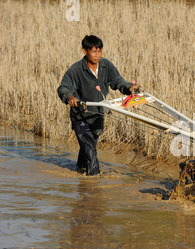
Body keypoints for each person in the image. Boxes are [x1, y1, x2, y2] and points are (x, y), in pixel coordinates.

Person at [57, 35, 141, 175]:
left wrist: (129, 88)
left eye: (99, 51)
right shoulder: (76, 70)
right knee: (90, 148)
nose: (97, 55)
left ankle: (80, 170)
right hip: (81, 116)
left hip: (98, 115)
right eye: (94, 52)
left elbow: (117, 81)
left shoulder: (105, 65)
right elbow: (63, 87)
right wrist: (70, 97)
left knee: (89, 147)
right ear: (85, 51)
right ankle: (93, 181)